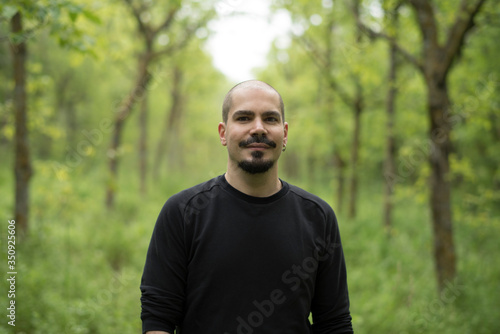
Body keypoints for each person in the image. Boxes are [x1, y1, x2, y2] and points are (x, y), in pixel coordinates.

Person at [140, 80, 353, 334]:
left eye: (270, 119)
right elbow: (158, 319)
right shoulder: (183, 212)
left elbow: (334, 323)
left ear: (284, 133)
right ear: (223, 132)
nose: (259, 128)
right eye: (244, 118)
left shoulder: (318, 217)